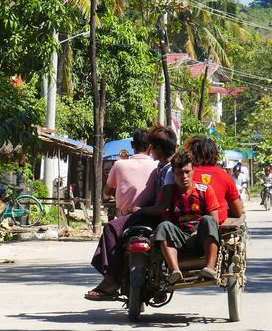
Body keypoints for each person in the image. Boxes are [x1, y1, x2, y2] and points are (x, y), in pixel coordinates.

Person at [86, 124, 178, 301]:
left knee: (111, 228)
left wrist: (141, 209)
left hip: (152, 215)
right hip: (151, 214)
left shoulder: (166, 171)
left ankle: (112, 279)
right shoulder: (158, 167)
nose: (152, 152)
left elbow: (162, 205)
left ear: (157, 148)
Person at [152, 150, 221, 283]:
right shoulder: (167, 195)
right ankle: (174, 271)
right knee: (163, 226)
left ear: (193, 170)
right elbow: (166, 220)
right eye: (179, 173)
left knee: (208, 220)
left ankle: (210, 268)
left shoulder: (205, 190)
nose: (184, 176)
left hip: (200, 237)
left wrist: (196, 233)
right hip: (180, 238)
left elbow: (215, 221)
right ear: (173, 173)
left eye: (187, 172)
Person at [186, 137, 244, 223]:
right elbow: (238, 212)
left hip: (187, 225)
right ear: (214, 155)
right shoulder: (224, 175)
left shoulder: (185, 173)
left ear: (192, 155)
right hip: (216, 228)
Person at [104, 130, 156, 216]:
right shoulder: (157, 166)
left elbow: (107, 193)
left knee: (108, 228)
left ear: (132, 145)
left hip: (124, 218)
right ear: (151, 147)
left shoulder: (119, 165)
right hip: (150, 219)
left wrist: (108, 196)